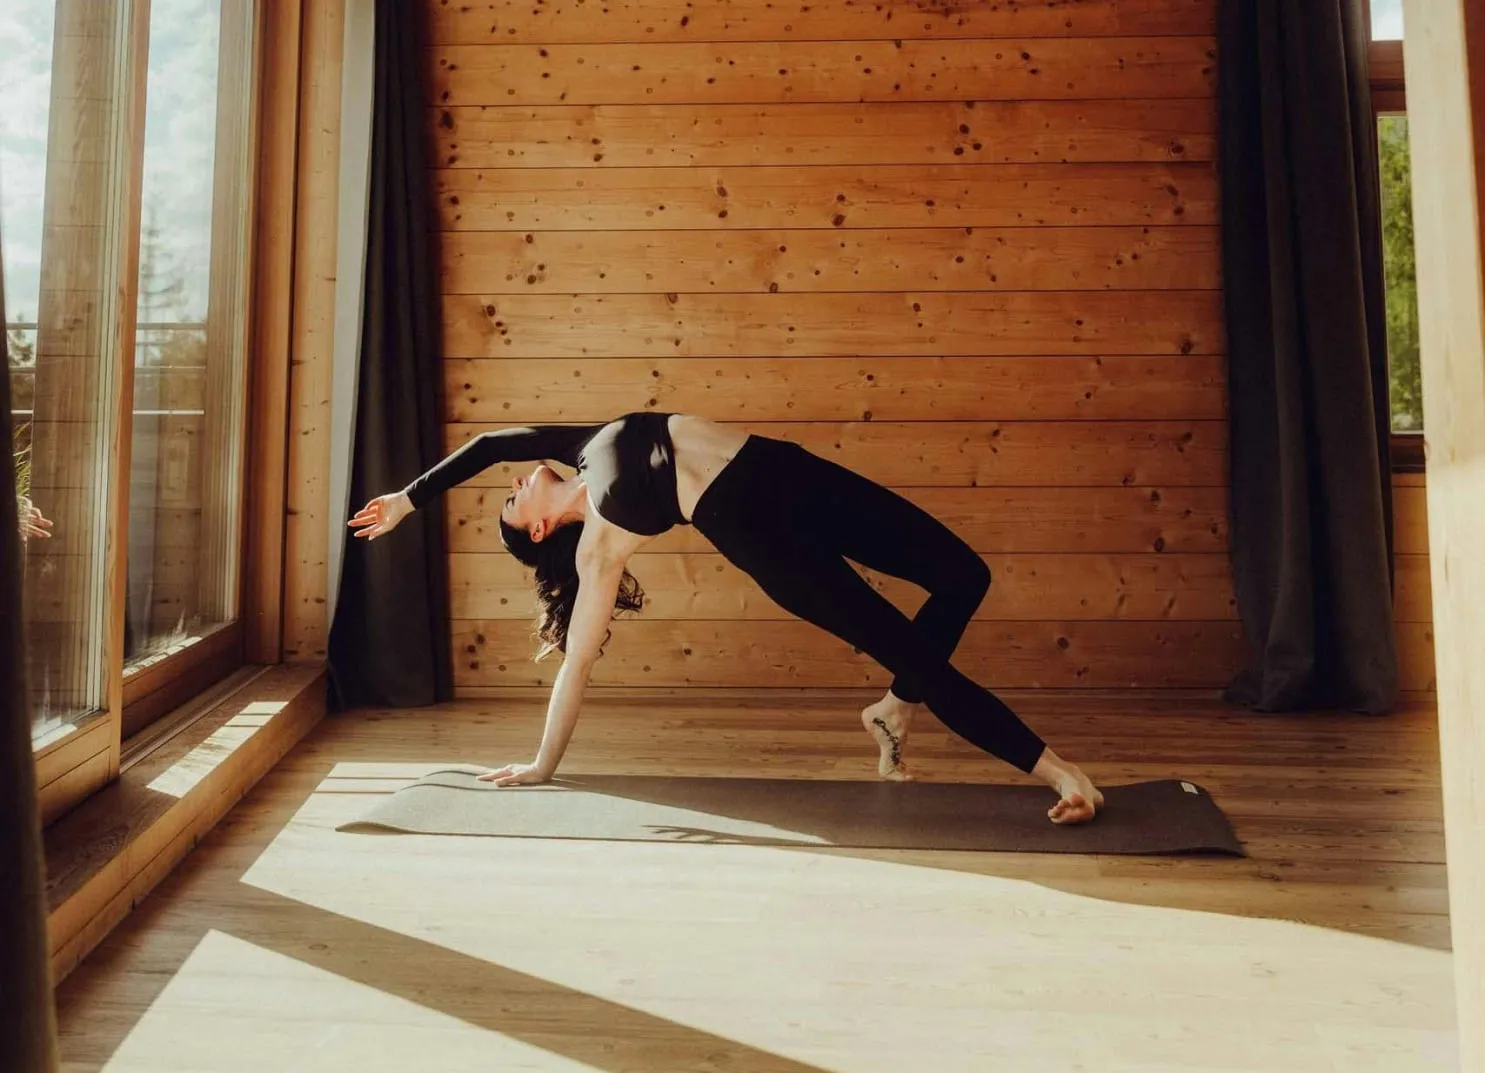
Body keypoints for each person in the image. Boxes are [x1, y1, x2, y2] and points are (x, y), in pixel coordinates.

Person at [350, 411, 1104, 824]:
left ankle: (894, 707)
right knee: (913, 648)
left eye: (508, 492)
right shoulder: (599, 552)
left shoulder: (577, 446)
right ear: (539, 530)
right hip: (769, 545)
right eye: (514, 503)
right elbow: (577, 662)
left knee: (962, 574)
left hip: (794, 476)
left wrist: (408, 498)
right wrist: (543, 765)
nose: (514, 484)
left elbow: (489, 443)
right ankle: (1057, 771)